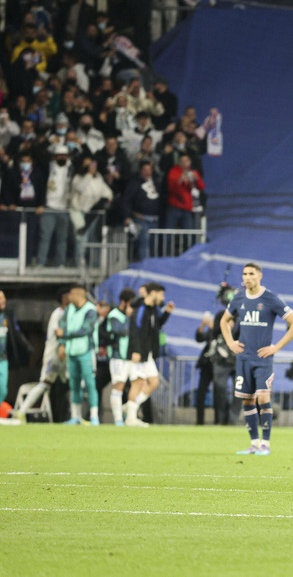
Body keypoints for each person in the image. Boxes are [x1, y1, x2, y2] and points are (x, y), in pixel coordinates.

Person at [221, 263, 293, 455]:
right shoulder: (238, 297)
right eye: (244, 274)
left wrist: (276, 347)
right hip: (243, 358)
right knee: (247, 401)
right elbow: (224, 321)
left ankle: (266, 443)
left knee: (263, 397)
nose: (247, 277)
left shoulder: (270, 298)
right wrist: (230, 342)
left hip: (262, 358)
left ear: (260, 276)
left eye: (251, 274)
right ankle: (254, 443)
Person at [18, 289, 71, 422]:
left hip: (63, 355)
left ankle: (71, 417)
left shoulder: (69, 313)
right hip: (54, 355)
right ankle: (21, 411)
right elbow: (59, 333)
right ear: (64, 298)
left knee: (69, 384)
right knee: (45, 383)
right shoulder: (58, 314)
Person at [126, 282, 174, 427]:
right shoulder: (140, 309)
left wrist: (167, 313)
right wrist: (136, 350)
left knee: (154, 383)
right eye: (161, 294)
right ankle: (130, 418)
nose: (163, 298)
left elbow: (156, 326)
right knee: (137, 383)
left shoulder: (152, 309)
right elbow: (135, 330)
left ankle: (130, 408)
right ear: (153, 293)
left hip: (148, 354)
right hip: (139, 352)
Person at [57, 285, 100, 426]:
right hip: (72, 351)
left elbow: (86, 329)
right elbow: (62, 326)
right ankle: (75, 416)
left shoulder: (90, 310)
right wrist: (62, 344)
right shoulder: (69, 309)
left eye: (71, 294)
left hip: (86, 351)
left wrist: (66, 335)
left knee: (89, 383)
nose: (69, 297)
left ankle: (94, 416)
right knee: (73, 384)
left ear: (78, 295)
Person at [36, 144, 72, 268]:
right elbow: (40, 155)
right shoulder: (48, 168)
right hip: (49, 207)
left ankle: (60, 263)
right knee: (45, 237)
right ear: (54, 157)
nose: (62, 157)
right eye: (59, 155)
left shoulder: (71, 169)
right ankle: (41, 262)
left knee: (62, 239)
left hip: (64, 208)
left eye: (64, 155)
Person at [104, 288, 136, 425]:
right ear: (124, 302)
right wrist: (129, 317)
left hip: (130, 357)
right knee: (118, 387)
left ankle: (125, 412)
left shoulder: (131, 315)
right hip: (118, 357)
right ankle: (118, 420)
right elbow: (122, 331)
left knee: (137, 385)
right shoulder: (114, 314)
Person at [122, 160, 161, 260]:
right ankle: (143, 267)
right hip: (141, 219)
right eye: (145, 170)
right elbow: (126, 200)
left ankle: (153, 269)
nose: (147, 172)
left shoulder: (155, 182)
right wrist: (127, 216)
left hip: (155, 219)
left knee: (155, 245)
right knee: (144, 243)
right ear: (140, 171)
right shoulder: (134, 183)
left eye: (149, 170)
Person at [165, 153, 203, 229]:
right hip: (174, 206)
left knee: (189, 232)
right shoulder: (174, 171)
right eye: (182, 161)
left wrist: (196, 179)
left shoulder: (193, 172)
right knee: (168, 231)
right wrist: (180, 180)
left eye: (186, 161)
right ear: (179, 162)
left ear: (190, 162)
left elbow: (201, 187)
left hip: (187, 207)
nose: (184, 163)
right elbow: (172, 189)